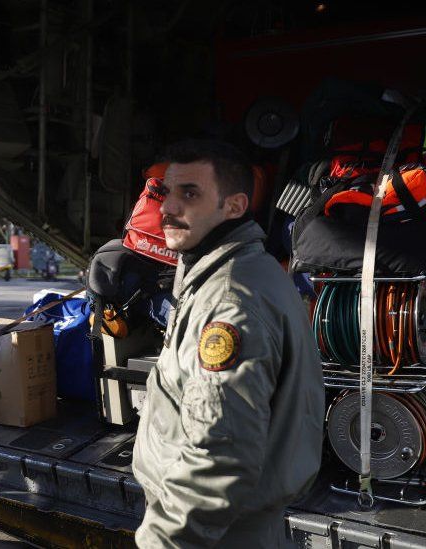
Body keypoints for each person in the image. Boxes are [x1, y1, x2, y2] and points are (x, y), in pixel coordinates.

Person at [131, 141, 324, 548]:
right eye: (166, 192)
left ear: (234, 206)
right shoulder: (242, 271)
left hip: (214, 534)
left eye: (190, 193)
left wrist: (160, 540)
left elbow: (219, 458)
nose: (167, 208)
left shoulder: (229, 303)